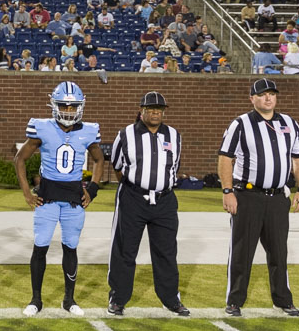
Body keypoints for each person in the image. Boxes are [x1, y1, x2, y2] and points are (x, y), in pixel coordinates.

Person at [218, 78, 299, 317]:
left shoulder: (289, 123)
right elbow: (225, 158)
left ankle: (283, 300)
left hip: (279, 198)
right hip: (248, 196)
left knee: (279, 252)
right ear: (252, 98)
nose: (268, 98)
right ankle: (235, 300)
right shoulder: (241, 123)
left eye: (271, 94)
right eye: (262, 94)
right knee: (242, 251)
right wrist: (227, 191)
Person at [14, 82, 105, 316]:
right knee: (40, 246)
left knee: (71, 247)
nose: (68, 110)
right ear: (54, 105)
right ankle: (36, 300)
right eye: (63, 105)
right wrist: (26, 192)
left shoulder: (88, 130)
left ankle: (69, 300)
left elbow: (99, 159)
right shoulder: (41, 128)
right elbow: (19, 159)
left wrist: (92, 188)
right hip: (47, 197)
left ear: (80, 107)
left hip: (74, 198)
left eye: (72, 106)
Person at [101, 91, 188, 316]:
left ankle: (171, 299)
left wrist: (158, 186)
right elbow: (118, 167)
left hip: (165, 200)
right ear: (141, 111)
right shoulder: (126, 134)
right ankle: (118, 298)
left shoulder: (174, 135)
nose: (155, 113)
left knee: (167, 252)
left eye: (159, 109)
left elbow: (173, 168)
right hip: (133, 198)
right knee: (125, 250)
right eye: (150, 109)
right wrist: (136, 187)